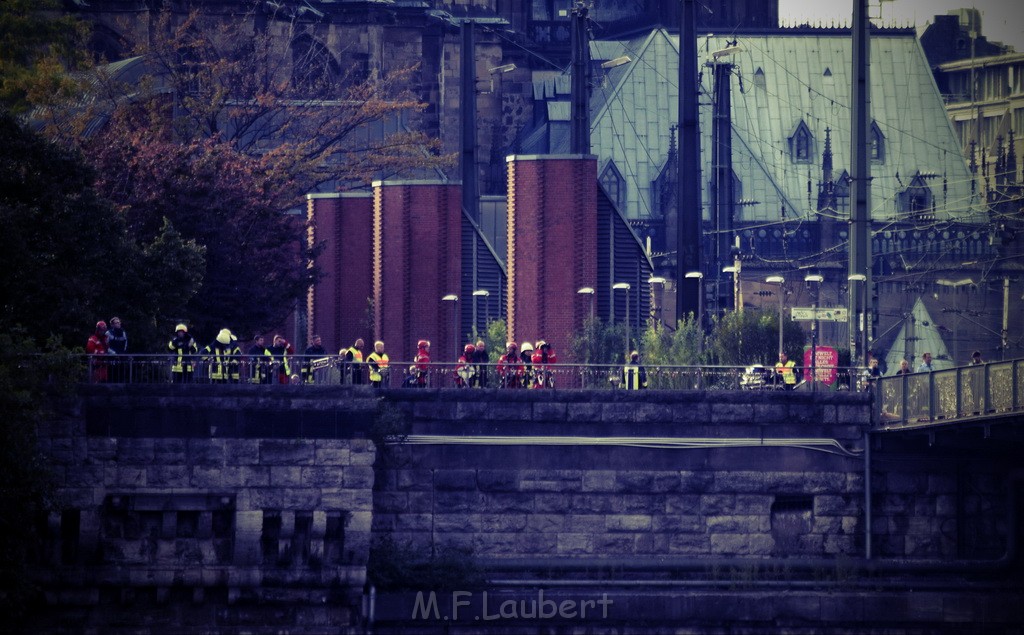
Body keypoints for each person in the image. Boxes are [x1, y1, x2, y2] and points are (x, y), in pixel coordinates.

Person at [105, 317, 128, 382]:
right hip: (111, 357)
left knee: (121, 374)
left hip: (121, 356)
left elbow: (125, 343)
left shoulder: (123, 332)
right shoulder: (108, 333)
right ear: (112, 325)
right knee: (112, 375)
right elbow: (106, 346)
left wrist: (122, 353)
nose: (119, 324)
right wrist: (114, 353)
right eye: (116, 323)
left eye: (119, 322)